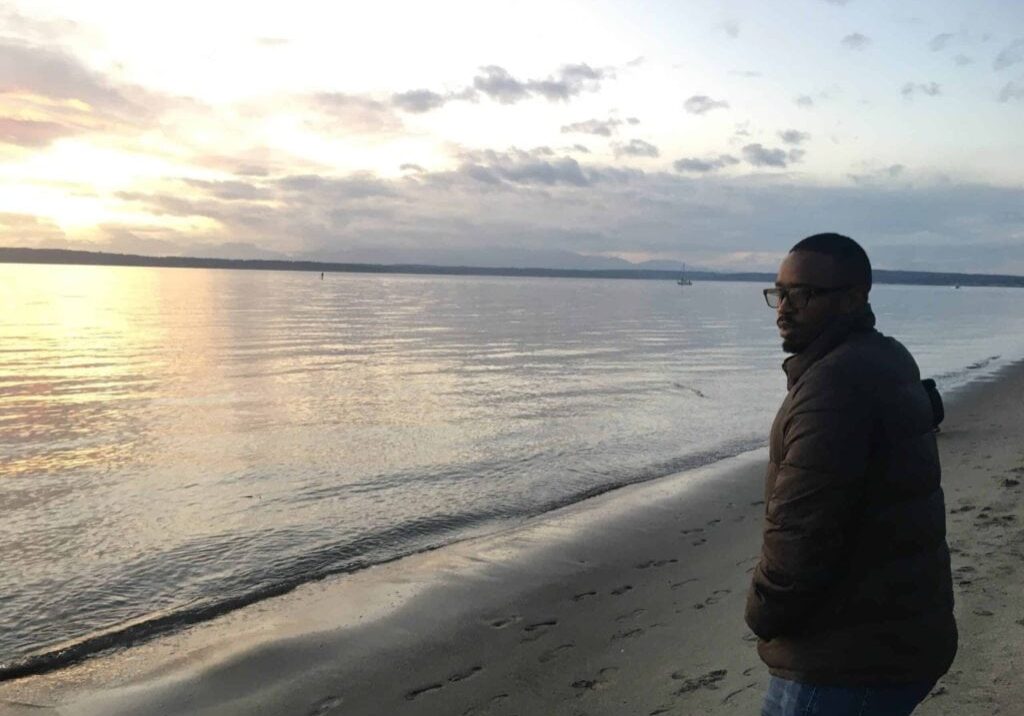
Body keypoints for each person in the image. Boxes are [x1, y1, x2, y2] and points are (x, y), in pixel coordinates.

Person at [747, 233, 957, 716]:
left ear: (853, 298)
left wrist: (761, 612)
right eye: (779, 293)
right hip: (886, 636)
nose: (784, 308)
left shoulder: (835, 387)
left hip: (849, 655)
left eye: (803, 295)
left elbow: (801, 531)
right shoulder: (884, 357)